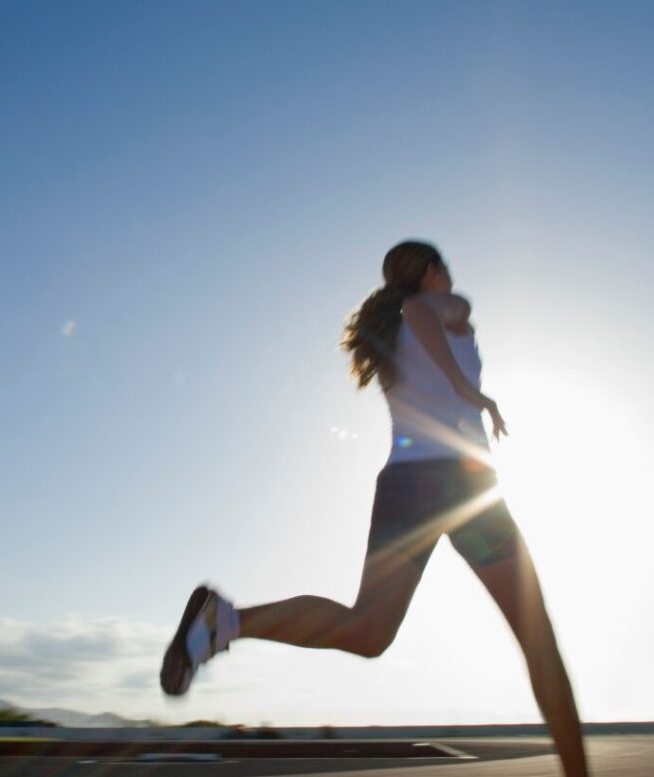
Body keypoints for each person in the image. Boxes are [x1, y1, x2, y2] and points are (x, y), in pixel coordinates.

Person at [160, 240, 590, 777]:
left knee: (369, 632)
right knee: (537, 637)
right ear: (431, 273)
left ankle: (221, 622)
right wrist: (471, 391)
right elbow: (419, 308)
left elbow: (412, 313)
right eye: (445, 271)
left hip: (408, 489)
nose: (452, 282)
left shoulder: (392, 336)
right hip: (462, 485)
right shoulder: (438, 308)